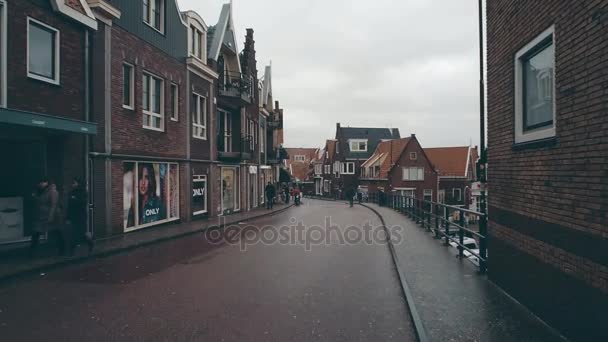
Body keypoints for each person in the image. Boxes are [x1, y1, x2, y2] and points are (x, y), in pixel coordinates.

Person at [30, 177, 65, 256]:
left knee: (56, 232)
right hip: (40, 216)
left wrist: (51, 217)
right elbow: (39, 202)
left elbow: (54, 205)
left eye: (42, 182)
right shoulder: (39, 191)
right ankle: (31, 252)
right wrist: (34, 197)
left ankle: (62, 249)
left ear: (46, 183)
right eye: (39, 183)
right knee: (36, 234)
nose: (40, 184)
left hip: (49, 216)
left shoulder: (53, 191)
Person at [65, 177, 94, 255]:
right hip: (73, 217)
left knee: (78, 233)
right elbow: (69, 206)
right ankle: (72, 250)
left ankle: (89, 242)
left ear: (79, 184)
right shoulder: (71, 193)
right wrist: (67, 217)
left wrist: (74, 199)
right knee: (75, 233)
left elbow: (82, 203)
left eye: (74, 183)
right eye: (73, 183)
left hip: (81, 217)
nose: (73, 184)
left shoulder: (83, 192)